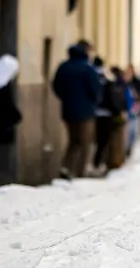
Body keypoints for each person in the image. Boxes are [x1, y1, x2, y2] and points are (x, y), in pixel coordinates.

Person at [52, 40, 102, 180]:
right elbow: (95, 89)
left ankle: (66, 167)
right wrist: (93, 102)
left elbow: (56, 86)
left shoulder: (63, 67)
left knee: (73, 141)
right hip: (85, 111)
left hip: (68, 110)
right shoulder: (87, 68)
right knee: (85, 142)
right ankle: (81, 171)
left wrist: (65, 98)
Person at [91, 57, 124, 177]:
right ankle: (99, 163)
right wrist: (117, 112)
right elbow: (112, 98)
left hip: (93, 113)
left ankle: (96, 163)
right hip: (106, 114)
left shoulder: (93, 76)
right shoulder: (107, 79)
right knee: (104, 141)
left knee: (96, 140)